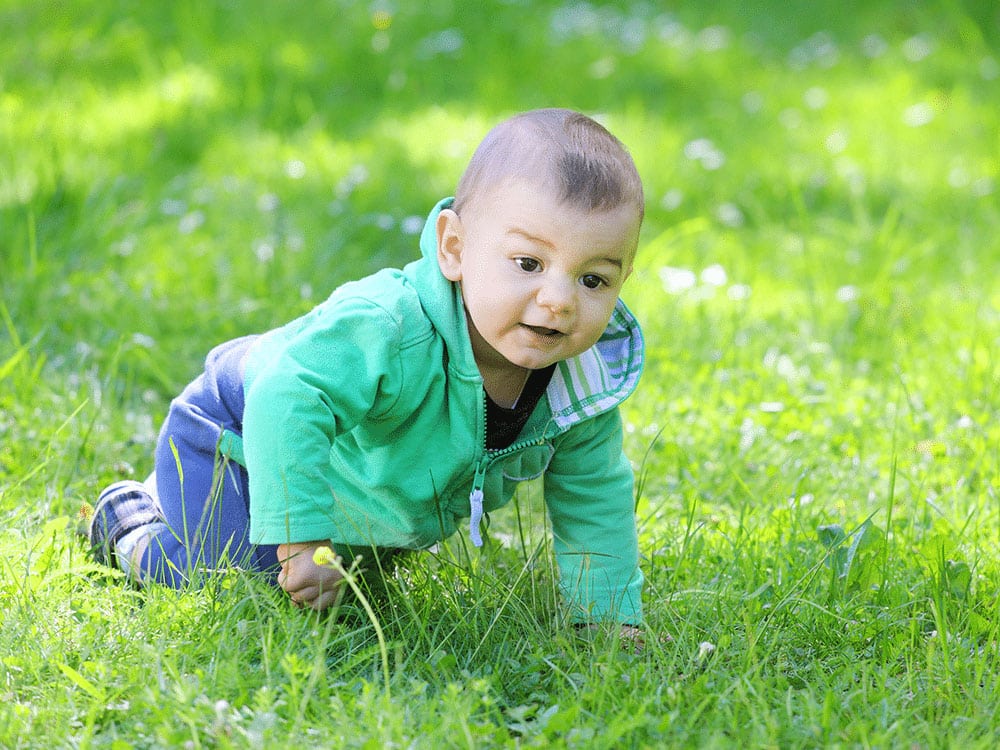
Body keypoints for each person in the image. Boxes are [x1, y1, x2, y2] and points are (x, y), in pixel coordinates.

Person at [88, 108, 647, 638]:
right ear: (455, 247)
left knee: (338, 590)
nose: (558, 301)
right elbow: (287, 398)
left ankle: (315, 536)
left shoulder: (580, 386)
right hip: (235, 432)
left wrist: (604, 617)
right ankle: (129, 522)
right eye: (529, 264)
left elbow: (594, 493)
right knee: (231, 581)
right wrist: (300, 547)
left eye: (593, 280)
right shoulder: (391, 328)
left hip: (336, 472)